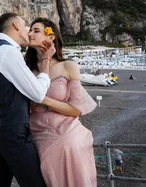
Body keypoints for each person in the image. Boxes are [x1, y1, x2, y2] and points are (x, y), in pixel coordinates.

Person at [0, 12, 53, 187]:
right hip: (12, 131)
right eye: (26, 26)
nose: (28, 31)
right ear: (16, 26)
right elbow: (38, 93)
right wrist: (46, 61)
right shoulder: (7, 51)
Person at [26, 18, 97, 187]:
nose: (29, 34)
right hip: (37, 130)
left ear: (51, 37)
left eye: (36, 31)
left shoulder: (68, 66)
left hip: (66, 127)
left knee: (68, 144)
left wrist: (42, 98)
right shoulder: (25, 69)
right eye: (30, 30)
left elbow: (76, 110)